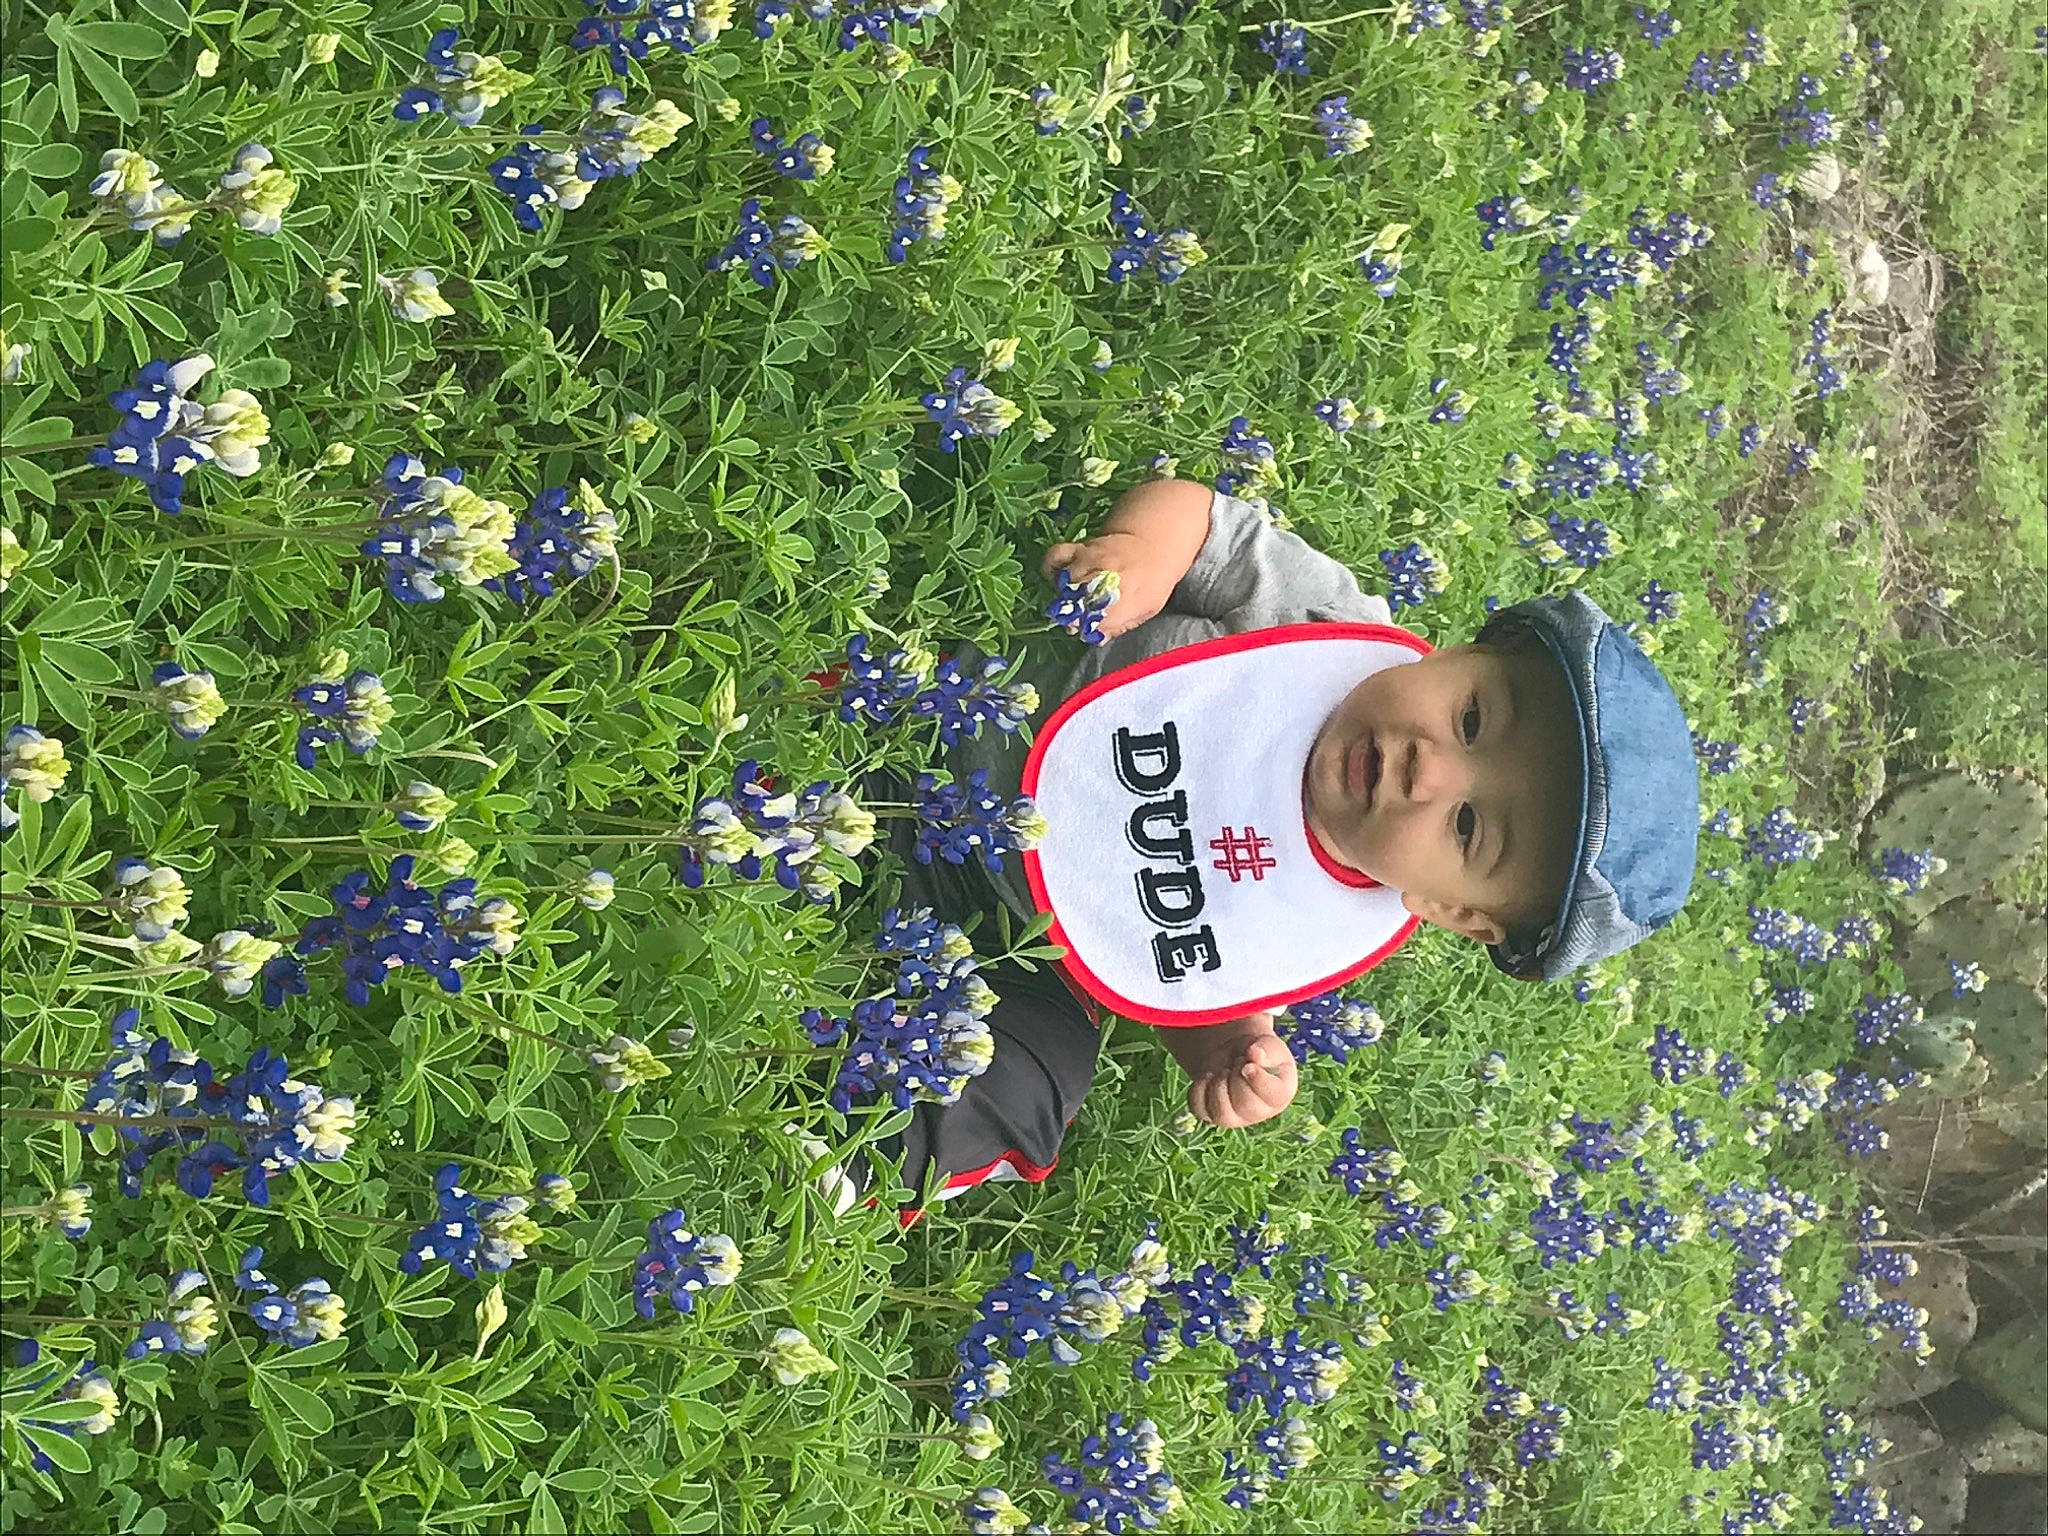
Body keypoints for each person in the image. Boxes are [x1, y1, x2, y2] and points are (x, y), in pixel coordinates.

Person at [843, 474, 1698, 1219]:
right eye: (1471, 718)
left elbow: (1195, 961)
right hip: (955, 718)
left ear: (1453, 911)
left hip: (1019, 945)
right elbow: (1207, 521)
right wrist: (1143, 558)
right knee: (865, 685)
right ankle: (790, 778)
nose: (1428, 767)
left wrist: (1224, 1048)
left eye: (1468, 827)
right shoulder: (1324, 622)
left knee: (1041, 1077)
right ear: (1467, 650)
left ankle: (845, 1154)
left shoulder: (1331, 919)